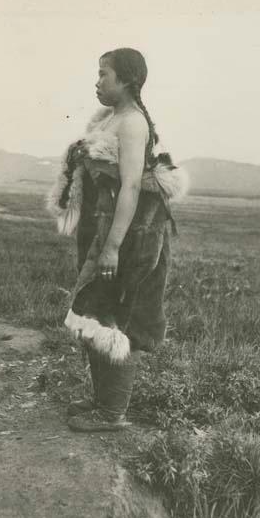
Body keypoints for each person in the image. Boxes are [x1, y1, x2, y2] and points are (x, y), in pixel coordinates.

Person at [47, 48, 188, 432]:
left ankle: (112, 413)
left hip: (129, 237)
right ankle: (101, 400)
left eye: (103, 74)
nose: (97, 81)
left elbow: (129, 188)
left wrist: (112, 247)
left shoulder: (132, 124)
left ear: (126, 80)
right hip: (103, 231)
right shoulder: (110, 119)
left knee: (120, 317)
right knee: (95, 309)